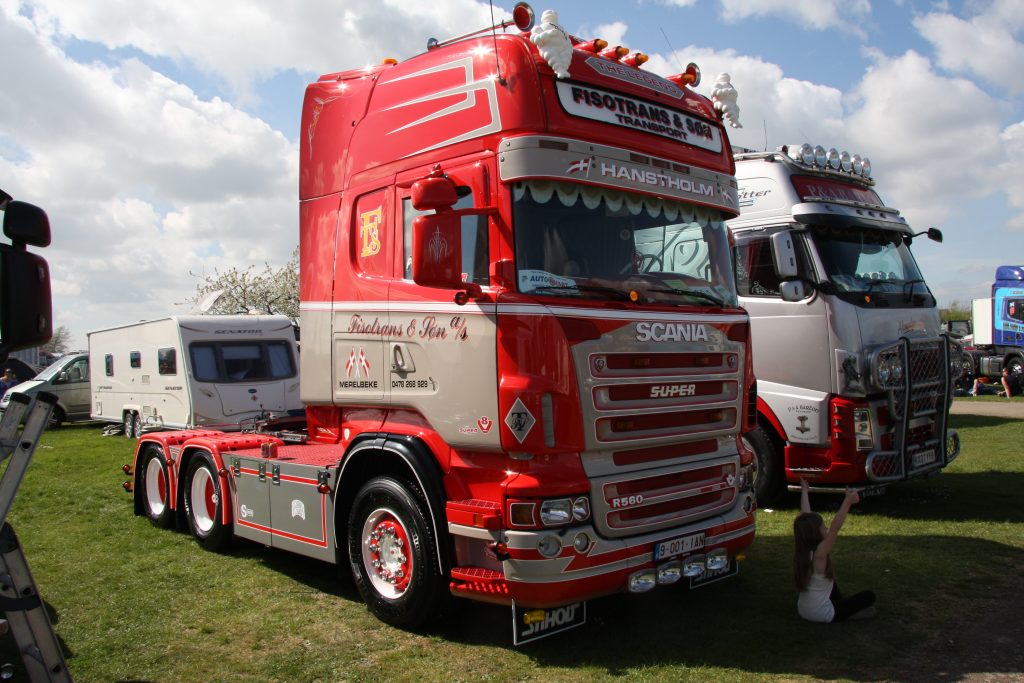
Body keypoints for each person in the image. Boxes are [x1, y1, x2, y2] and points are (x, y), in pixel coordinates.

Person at [793, 479, 876, 623]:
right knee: (869, 596)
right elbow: (835, 527)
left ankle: (840, 606)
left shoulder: (803, 548)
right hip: (821, 614)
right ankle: (844, 614)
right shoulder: (820, 553)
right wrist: (848, 501)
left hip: (803, 610)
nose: (825, 529)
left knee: (832, 583)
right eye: (822, 527)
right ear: (815, 533)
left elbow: (805, 516)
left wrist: (804, 491)